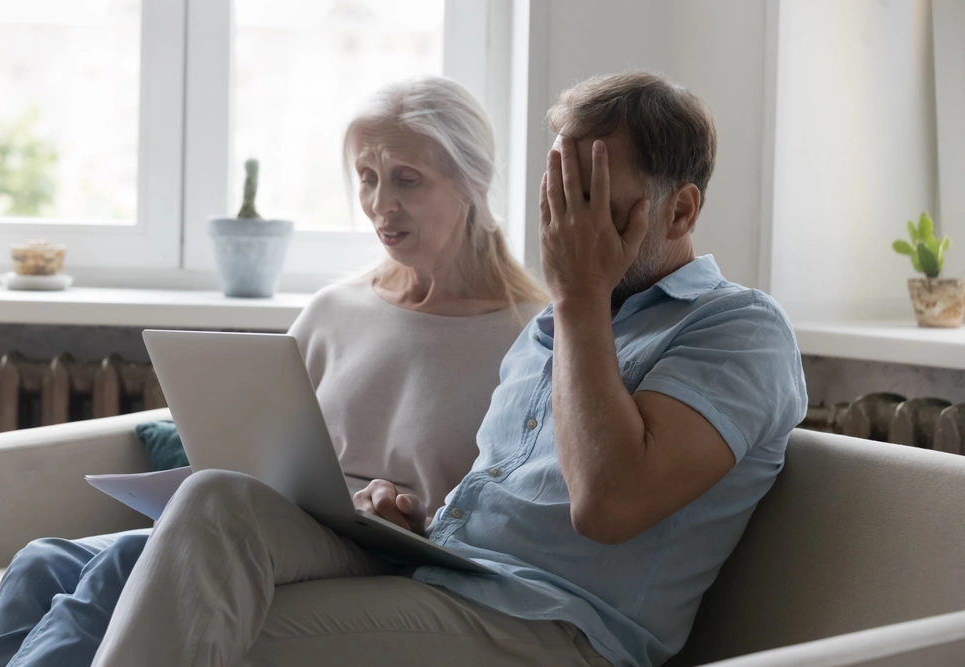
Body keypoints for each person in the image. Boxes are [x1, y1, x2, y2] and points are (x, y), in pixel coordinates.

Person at [86, 70, 808, 667]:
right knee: (216, 500)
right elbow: (513, 499)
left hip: (559, 629)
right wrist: (411, 521)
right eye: (559, 198)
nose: (569, 229)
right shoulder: (555, 330)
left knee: (210, 627)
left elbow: (607, 504)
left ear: (679, 211)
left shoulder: (737, 329)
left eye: (595, 205)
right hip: (445, 573)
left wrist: (579, 297)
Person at [0, 76, 546, 667]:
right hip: (279, 524)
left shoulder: (529, 337)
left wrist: (411, 513)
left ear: (472, 180)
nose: (379, 204)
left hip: (386, 551)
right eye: (367, 178)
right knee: (41, 560)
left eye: (406, 179)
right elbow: (268, 445)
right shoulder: (335, 309)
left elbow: (514, 513)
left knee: (123, 562)